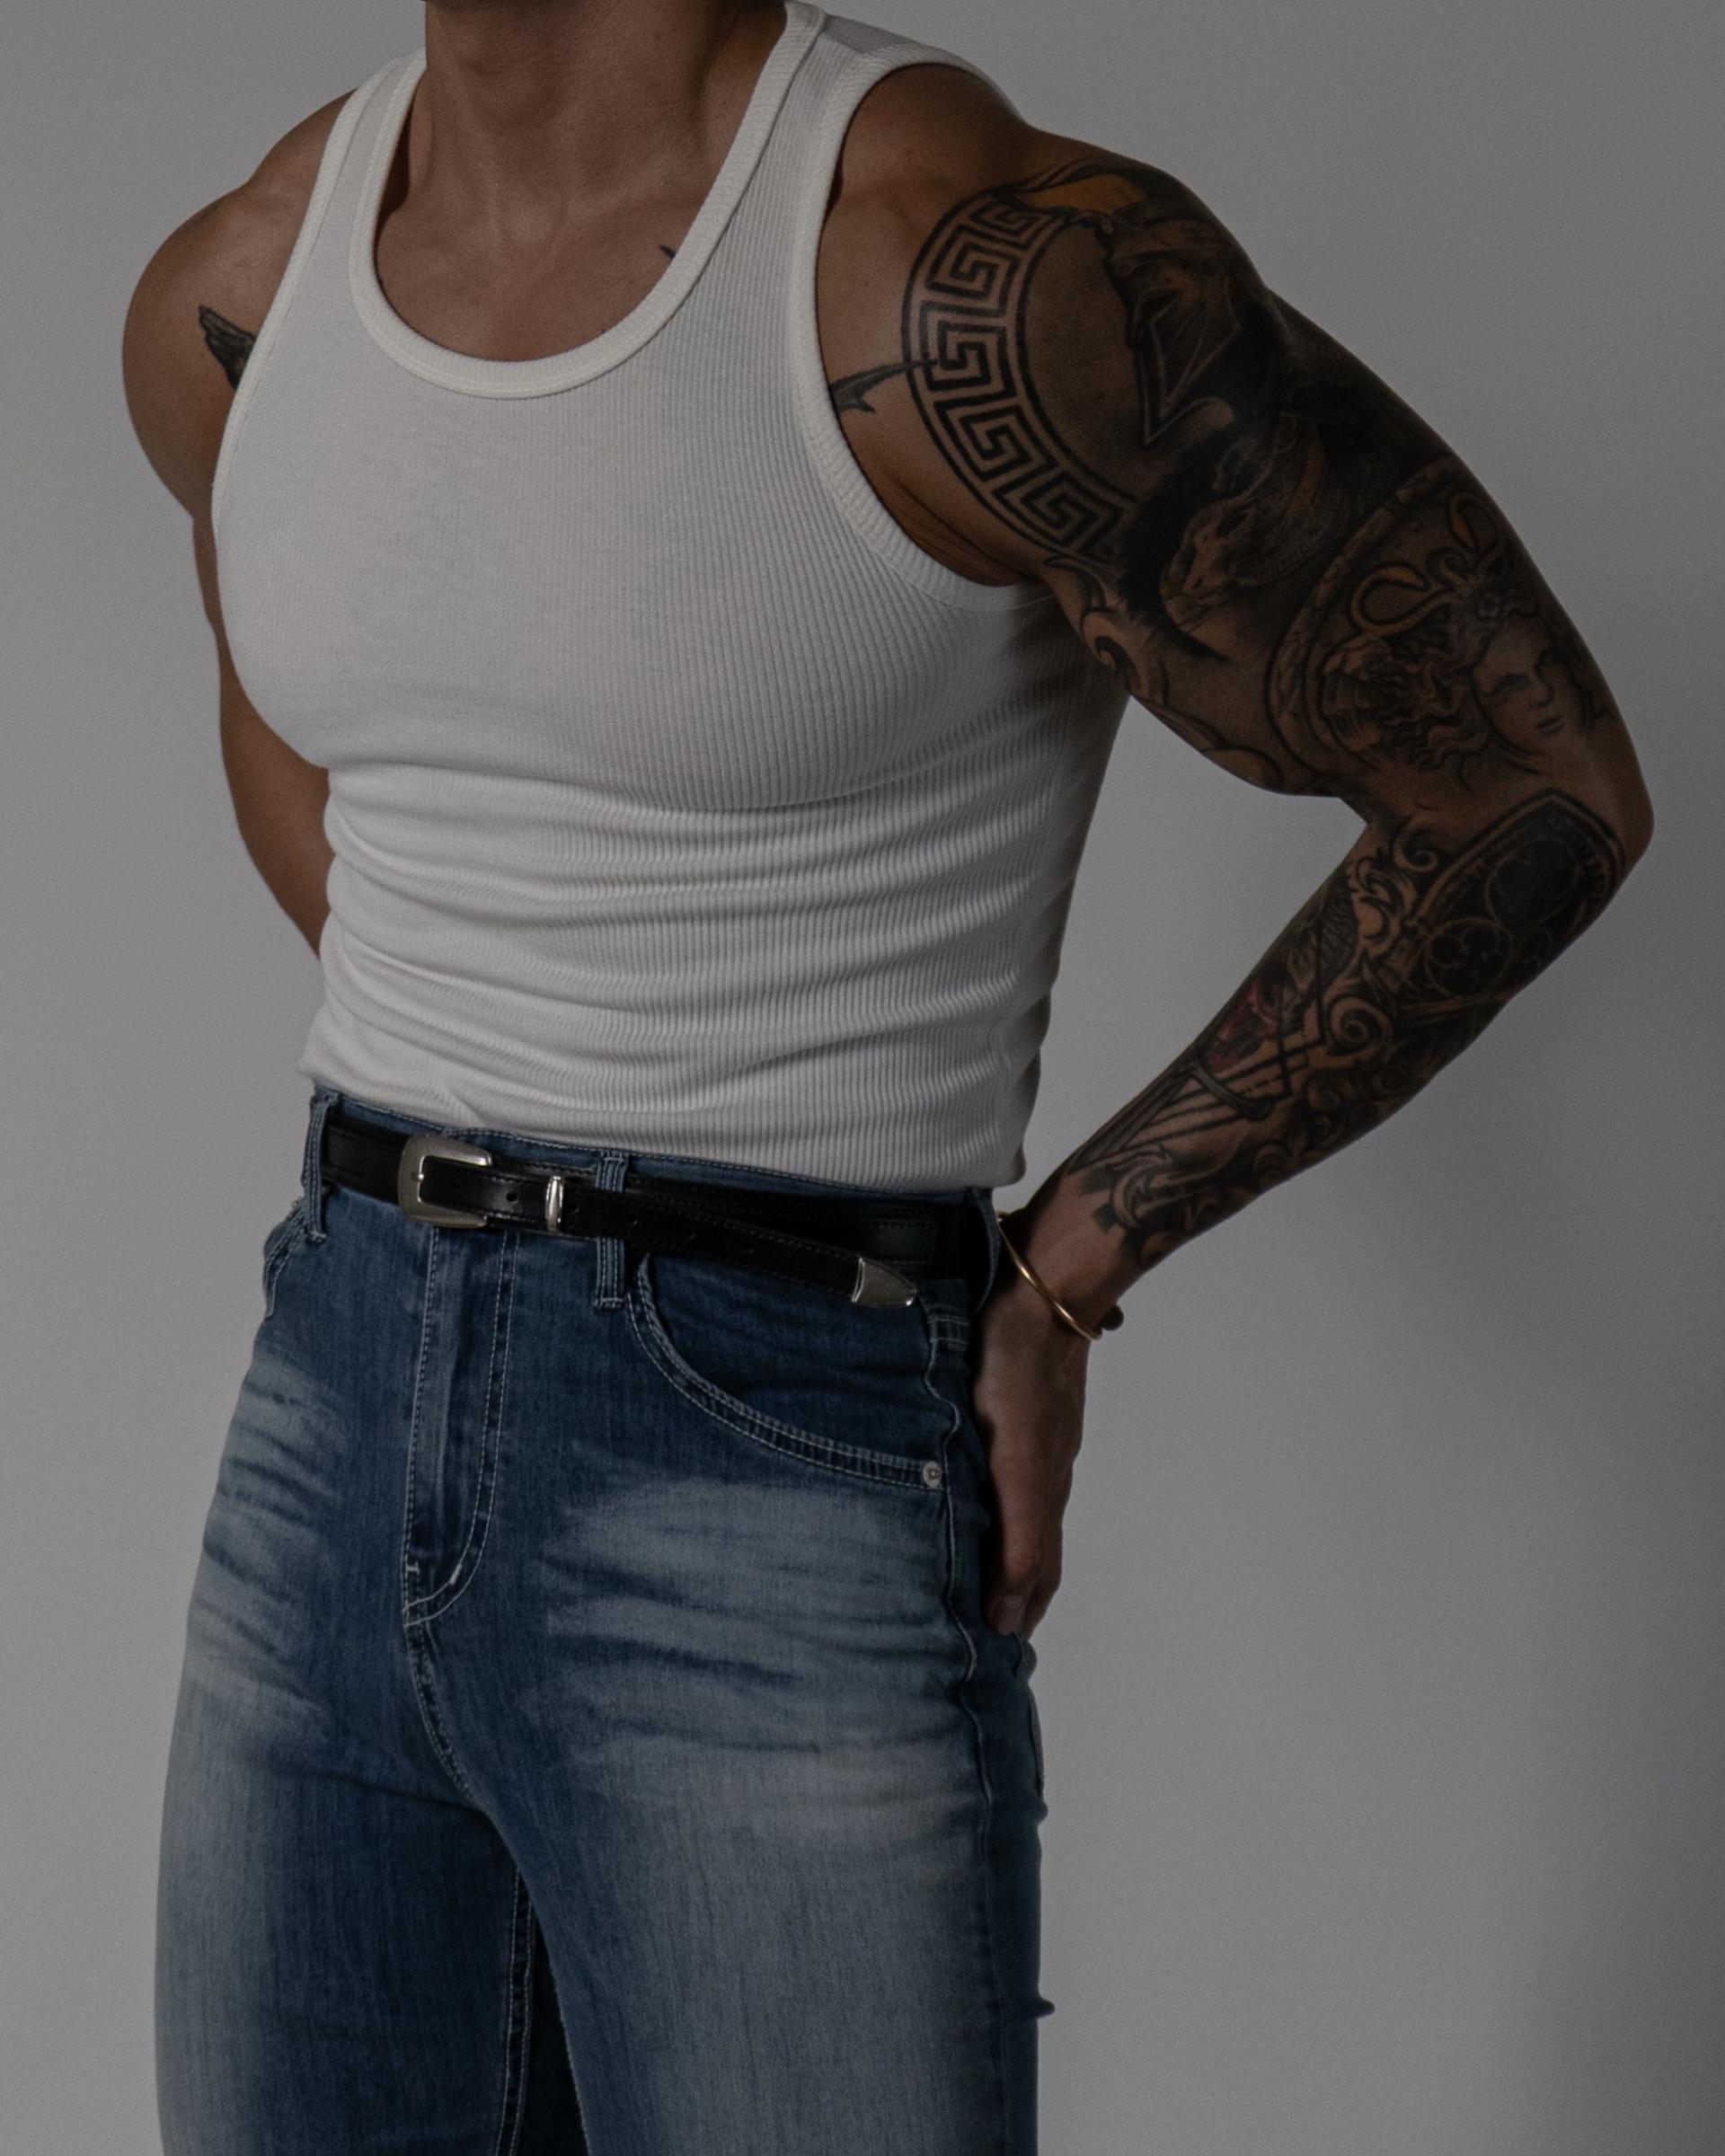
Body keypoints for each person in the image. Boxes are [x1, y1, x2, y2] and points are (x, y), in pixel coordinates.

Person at [120, 2, 1653, 2149]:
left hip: (768, 1427)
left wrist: (1067, 1269)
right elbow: (314, 730)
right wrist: (507, 1049)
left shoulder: (961, 274)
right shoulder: (250, 282)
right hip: (327, 1404)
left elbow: (1526, 785)